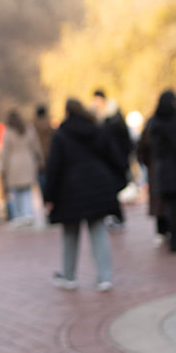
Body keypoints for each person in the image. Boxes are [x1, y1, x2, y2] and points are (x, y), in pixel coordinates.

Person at [43, 97, 128, 287]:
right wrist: (116, 181)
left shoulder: (61, 134)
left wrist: (48, 196)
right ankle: (105, 277)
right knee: (98, 229)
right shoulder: (95, 129)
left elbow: (53, 168)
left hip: (70, 190)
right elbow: (114, 156)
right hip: (98, 186)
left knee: (70, 232)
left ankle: (69, 275)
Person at [137, 91, 176, 253]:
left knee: (171, 208)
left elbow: (143, 149)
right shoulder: (173, 124)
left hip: (161, 172)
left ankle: (175, 240)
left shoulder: (153, 124)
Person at [0, 109, 44, 222]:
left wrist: (3, 167)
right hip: (28, 161)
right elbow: (36, 146)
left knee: (16, 191)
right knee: (27, 190)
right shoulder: (28, 129)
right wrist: (40, 159)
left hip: (14, 164)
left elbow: (5, 152)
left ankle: (20, 215)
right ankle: (28, 212)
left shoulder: (8, 132)